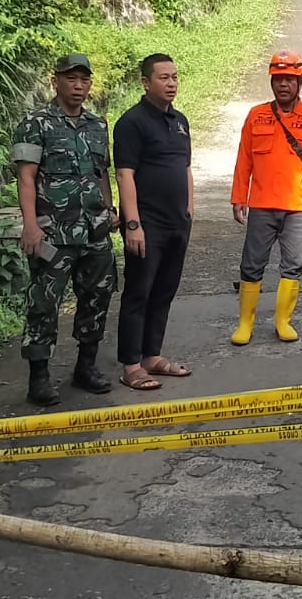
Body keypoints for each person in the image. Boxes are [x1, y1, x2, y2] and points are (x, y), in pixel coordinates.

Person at [10, 53, 117, 406]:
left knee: (97, 298)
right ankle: (38, 378)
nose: (78, 85)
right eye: (71, 78)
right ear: (55, 80)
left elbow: (101, 173)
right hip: (52, 232)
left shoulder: (97, 125)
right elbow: (26, 178)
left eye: (84, 79)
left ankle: (85, 367)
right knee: (44, 304)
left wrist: (109, 208)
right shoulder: (36, 123)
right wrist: (29, 225)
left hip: (93, 231)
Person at [229, 50, 302, 345]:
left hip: (299, 208)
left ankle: (282, 322)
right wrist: (239, 196)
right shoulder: (256, 115)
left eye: (289, 79)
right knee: (251, 265)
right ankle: (245, 324)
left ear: (299, 81)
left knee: (293, 265)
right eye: (278, 79)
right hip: (262, 204)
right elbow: (244, 159)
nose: (283, 85)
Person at [112, 53, 194, 391]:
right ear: (146, 83)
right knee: (139, 293)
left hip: (177, 223)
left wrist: (189, 209)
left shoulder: (180, 121)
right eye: (164, 77)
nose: (171, 83)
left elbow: (185, 167)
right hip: (147, 224)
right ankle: (131, 364)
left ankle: (152, 356)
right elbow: (124, 174)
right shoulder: (131, 123)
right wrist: (133, 224)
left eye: (175, 77)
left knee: (165, 290)